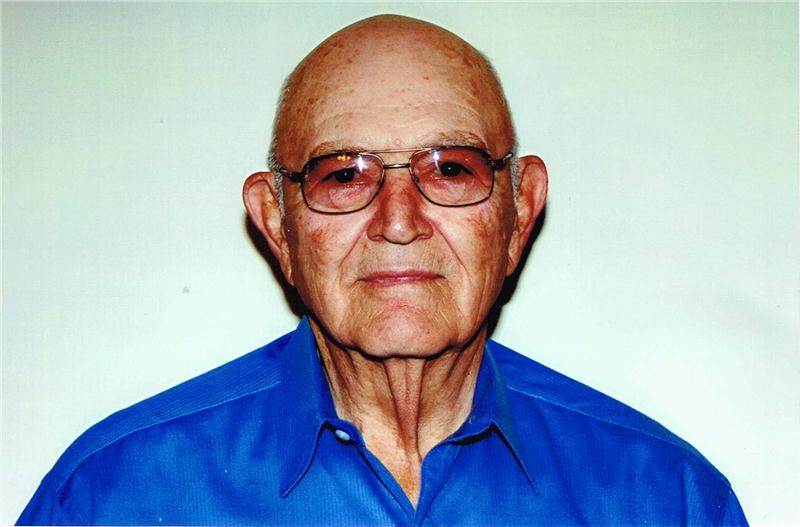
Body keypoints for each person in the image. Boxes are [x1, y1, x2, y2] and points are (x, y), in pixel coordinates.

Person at [18, 15, 747, 526]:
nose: (399, 219)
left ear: (519, 211)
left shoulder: (667, 500)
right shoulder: (110, 497)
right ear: (277, 223)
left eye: (451, 168)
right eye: (344, 174)